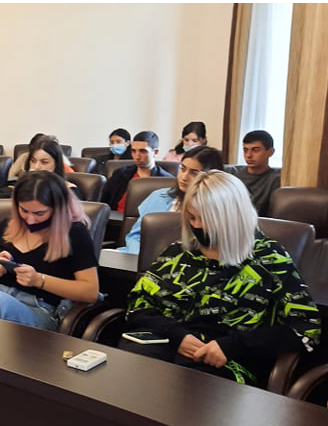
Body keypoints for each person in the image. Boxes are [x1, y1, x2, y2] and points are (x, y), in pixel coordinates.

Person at [122, 170, 321, 386]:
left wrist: (233, 346)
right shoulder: (177, 253)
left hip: (228, 360)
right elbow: (138, 305)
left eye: (206, 219)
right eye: (191, 217)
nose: (196, 226)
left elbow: (306, 326)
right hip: (166, 346)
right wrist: (176, 334)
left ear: (232, 218)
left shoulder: (269, 258)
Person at [0, 171, 99, 330]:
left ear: (57, 208)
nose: (30, 220)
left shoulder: (74, 233)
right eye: (24, 211)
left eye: (39, 213)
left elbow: (90, 291)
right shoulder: (4, 227)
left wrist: (39, 280)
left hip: (38, 309)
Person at [119, 145, 223, 253]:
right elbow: (135, 236)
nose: (184, 177)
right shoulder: (159, 196)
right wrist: (141, 257)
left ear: (210, 177)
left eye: (194, 173)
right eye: (182, 169)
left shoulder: (216, 208)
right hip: (141, 255)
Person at [100, 131, 174, 212]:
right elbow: (104, 202)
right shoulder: (120, 174)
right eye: (134, 151)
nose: (137, 156)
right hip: (115, 217)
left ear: (155, 152)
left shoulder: (166, 181)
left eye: (142, 151)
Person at [228, 130, 282, 216]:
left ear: (270, 152)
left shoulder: (276, 179)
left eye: (255, 150)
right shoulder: (232, 174)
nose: (248, 155)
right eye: (245, 150)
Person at [20, 136, 85, 200]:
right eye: (33, 161)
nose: (36, 167)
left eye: (44, 162)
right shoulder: (24, 187)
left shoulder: (69, 191)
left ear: (56, 164)